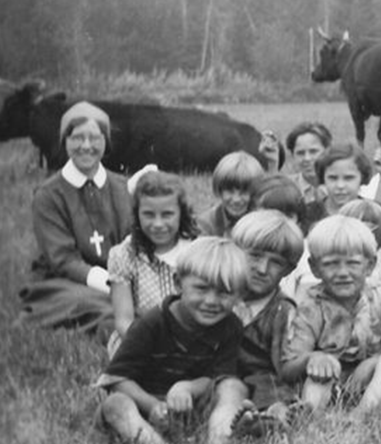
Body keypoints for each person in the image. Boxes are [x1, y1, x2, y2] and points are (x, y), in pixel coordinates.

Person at [97, 237, 248, 444]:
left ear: (239, 295)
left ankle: (219, 436)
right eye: (201, 289)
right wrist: (153, 406)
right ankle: (150, 439)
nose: (211, 301)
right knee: (116, 404)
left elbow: (218, 378)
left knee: (233, 386)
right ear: (178, 283)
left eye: (224, 293)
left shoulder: (231, 326)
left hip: (194, 409)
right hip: (145, 405)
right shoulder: (152, 323)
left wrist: (188, 387)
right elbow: (117, 380)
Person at [19, 102, 132, 338]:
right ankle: (119, 330)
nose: (86, 146)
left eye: (95, 138)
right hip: (66, 280)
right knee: (88, 303)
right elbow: (62, 260)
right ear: (65, 141)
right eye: (77, 138)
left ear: (106, 142)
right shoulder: (48, 195)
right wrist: (112, 286)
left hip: (119, 278)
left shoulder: (121, 187)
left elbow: (131, 241)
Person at [281, 215, 381, 414]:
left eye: (353, 263)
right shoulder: (309, 306)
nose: (343, 272)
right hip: (329, 381)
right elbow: (289, 366)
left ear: (369, 265)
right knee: (318, 379)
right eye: (331, 264)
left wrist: (372, 363)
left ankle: (361, 415)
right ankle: (311, 417)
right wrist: (313, 358)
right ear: (314, 268)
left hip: (372, 381)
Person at [107, 170, 198, 356]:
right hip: (139, 339)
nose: (157, 224)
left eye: (167, 214)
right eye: (149, 214)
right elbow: (124, 320)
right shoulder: (124, 255)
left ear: (181, 213)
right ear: (137, 214)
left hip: (192, 336)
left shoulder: (197, 251)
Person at [229, 210, 304, 423]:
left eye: (276, 262)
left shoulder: (283, 310)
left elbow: (284, 369)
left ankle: (270, 418)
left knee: (272, 389)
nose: (262, 269)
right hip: (222, 377)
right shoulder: (219, 295)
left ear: (289, 270)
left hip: (262, 382)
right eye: (254, 256)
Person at [196, 151, 264, 238]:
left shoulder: (261, 221)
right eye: (229, 191)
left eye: (243, 192)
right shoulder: (206, 223)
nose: (236, 199)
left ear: (254, 193)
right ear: (220, 190)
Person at [304, 143, 374, 228]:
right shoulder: (307, 214)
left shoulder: (371, 214)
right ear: (323, 178)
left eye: (348, 178)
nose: (340, 185)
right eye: (333, 178)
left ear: (362, 177)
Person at [284, 122, 332, 204]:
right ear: (292, 156)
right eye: (300, 153)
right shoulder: (286, 188)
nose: (307, 158)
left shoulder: (341, 186)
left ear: (327, 151)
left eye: (313, 151)